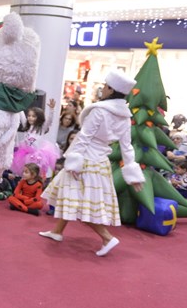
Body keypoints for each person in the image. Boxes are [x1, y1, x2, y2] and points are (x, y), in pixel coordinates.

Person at [39, 70, 144, 257]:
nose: (102, 88)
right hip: (100, 162)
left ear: (111, 89)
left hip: (84, 161)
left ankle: (107, 238)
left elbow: (84, 137)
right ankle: (57, 231)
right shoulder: (125, 116)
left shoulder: (100, 111)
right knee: (71, 196)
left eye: (105, 85)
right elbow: (126, 147)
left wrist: (72, 162)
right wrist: (132, 173)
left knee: (82, 204)